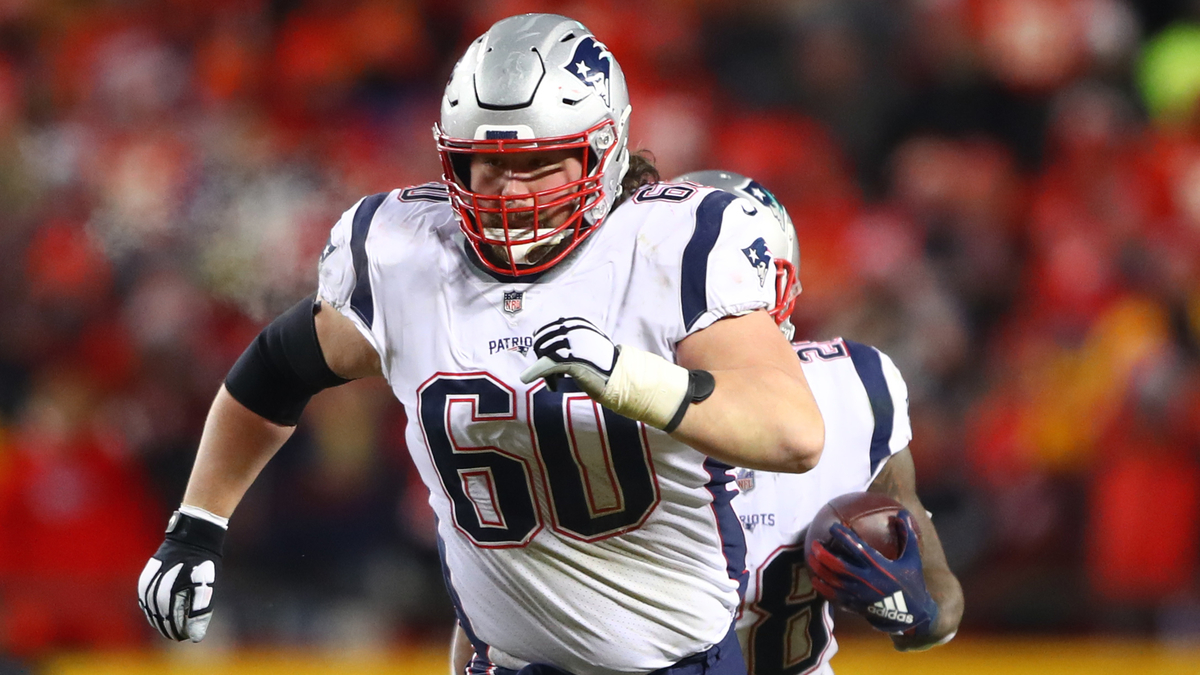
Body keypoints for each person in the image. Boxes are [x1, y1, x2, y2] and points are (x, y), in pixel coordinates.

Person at [136, 14, 826, 675]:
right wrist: (198, 524)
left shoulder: (673, 247)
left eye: (541, 164)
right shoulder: (407, 255)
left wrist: (628, 379)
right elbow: (277, 369)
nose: (509, 191)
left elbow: (791, 433)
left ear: (605, 150)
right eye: (486, 164)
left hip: (675, 664)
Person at [449, 172, 963, 675]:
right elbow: (497, 604)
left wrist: (907, 599)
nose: (710, 302)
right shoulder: (580, 399)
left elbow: (941, 606)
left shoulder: (853, 391)